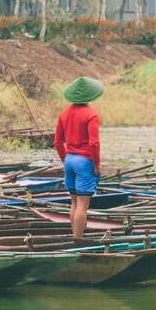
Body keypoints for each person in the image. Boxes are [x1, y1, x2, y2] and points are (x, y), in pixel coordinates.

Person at [54, 76, 104, 239]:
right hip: (84, 161)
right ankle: (77, 239)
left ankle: (75, 234)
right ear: (91, 95)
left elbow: (57, 142)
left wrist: (65, 159)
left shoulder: (64, 114)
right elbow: (94, 143)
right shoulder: (91, 115)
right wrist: (96, 164)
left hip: (70, 159)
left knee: (74, 202)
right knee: (83, 204)